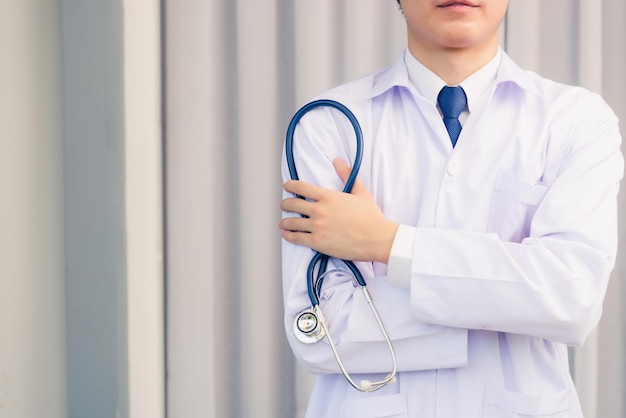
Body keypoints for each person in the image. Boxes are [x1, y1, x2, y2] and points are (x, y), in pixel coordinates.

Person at [279, 0, 624, 417]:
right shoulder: (326, 124)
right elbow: (318, 335)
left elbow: (573, 300)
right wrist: (509, 301)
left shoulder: (575, 120)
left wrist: (388, 242)